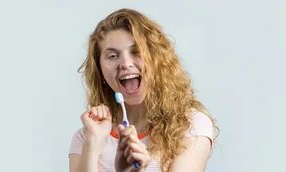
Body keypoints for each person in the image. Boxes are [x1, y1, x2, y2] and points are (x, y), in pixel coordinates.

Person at [68, 8, 219, 172]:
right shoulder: (87, 137)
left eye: (136, 51)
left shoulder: (191, 126)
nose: (125, 63)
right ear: (100, 71)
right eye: (112, 56)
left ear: (157, 60)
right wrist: (93, 142)